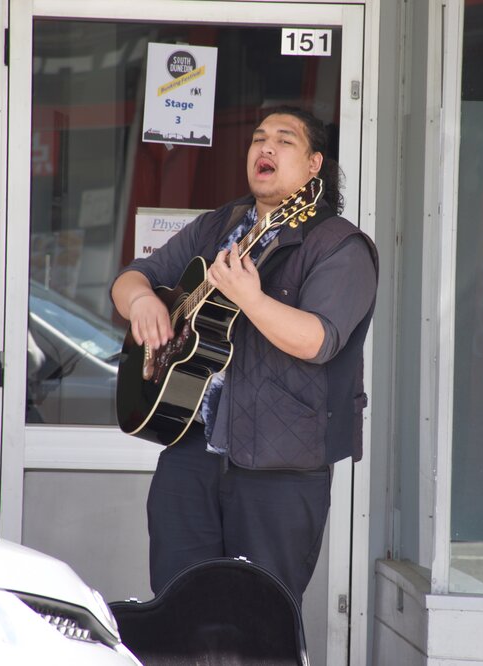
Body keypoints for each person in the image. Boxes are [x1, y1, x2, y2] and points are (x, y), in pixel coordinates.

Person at [111, 106, 377, 604]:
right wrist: (143, 301)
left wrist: (252, 299)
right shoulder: (219, 225)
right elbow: (131, 278)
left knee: (259, 617)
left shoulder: (340, 246)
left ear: (314, 165)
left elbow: (318, 340)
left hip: (279, 468)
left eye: (284, 140)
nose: (266, 147)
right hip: (192, 451)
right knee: (176, 607)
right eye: (258, 138)